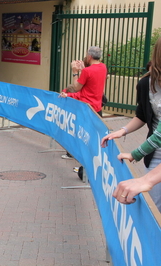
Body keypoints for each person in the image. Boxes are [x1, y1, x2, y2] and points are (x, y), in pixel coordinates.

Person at [102, 37, 161, 211]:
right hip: (156, 154)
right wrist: (123, 131)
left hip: (153, 145)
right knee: (153, 208)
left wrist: (136, 155)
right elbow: (142, 116)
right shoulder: (145, 84)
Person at [59, 47, 108, 159]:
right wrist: (84, 69)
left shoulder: (87, 71)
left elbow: (76, 87)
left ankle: (75, 154)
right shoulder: (103, 67)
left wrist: (75, 72)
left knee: (79, 131)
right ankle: (92, 155)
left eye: (86, 55)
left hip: (85, 107)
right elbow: (92, 80)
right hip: (97, 107)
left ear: (89, 56)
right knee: (94, 133)